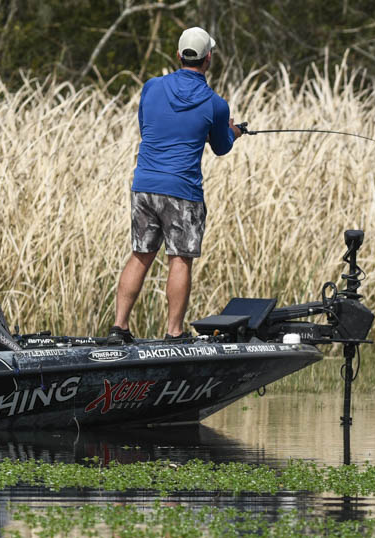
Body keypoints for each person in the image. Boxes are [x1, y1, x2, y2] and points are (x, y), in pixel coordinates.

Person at [107, 26, 242, 345]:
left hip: (144, 185)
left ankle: (119, 327)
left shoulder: (151, 87)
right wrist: (233, 132)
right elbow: (221, 147)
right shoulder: (216, 104)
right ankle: (174, 332)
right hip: (182, 190)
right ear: (208, 59)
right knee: (180, 259)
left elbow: (148, 128)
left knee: (141, 254)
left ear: (179, 55)